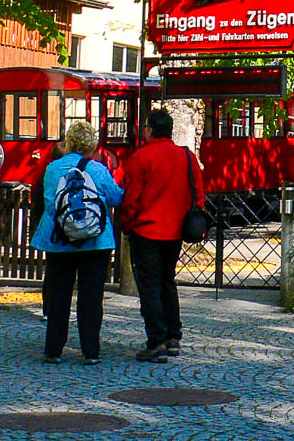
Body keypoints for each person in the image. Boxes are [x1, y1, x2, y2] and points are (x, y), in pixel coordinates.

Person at [30, 121, 122, 364]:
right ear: (91, 145)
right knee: (91, 297)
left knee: (59, 294)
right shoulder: (98, 169)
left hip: (59, 240)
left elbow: (50, 203)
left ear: (68, 142)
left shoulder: (52, 169)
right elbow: (116, 198)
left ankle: (53, 350)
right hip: (95, 242)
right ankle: (91, 351)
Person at [119, 108, 204, 363]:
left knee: (150, 286)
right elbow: (198, 193)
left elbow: (131, 198)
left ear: (149, 130)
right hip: (175, 230)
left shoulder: (141, 157)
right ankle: (173, 336)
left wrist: (126, 224)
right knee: (168, 281)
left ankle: (155, 340)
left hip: (146, 230)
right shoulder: (186, 157)